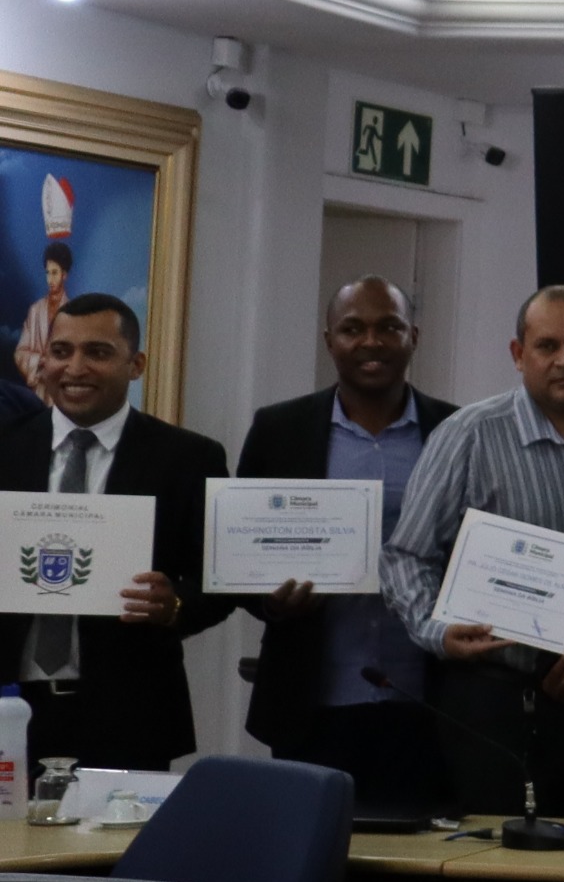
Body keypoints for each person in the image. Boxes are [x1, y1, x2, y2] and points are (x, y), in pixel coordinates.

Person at [386, 285, 564, 816]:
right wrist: (439, 631)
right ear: (519, 354)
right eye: (547, 346)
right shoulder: (470, 435)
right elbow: (406, 556)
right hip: (495, 701)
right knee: (500, 855)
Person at [235, 278, 459, 809]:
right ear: (329, 340)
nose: (371, 342)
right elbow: (239, 556)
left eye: (389, 327)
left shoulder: (455, 429)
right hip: (312, 703)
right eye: (353, 329)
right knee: (312, 851)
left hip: (431, 700)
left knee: (420, 854)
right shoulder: (279, 430)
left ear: (413, 336)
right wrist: (271, 601)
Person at [0, 294, 226, 774]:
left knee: (123, 830)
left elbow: (219, 581)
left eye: (97, 352)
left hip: (129, 715)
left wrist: (175, 604)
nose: (74, 368)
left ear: (136, 364)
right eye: (61, 352)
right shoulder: (5, 446)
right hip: (9, 710)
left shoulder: (189, 458)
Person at [15, 240, 70, 391]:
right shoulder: (35, 310)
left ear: (64, 275)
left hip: (64, 391)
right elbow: (20, 353)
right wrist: (40, 361)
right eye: (47, 273)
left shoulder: (73, 312)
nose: (50, 279)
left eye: (54, 273)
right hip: (38, 391)